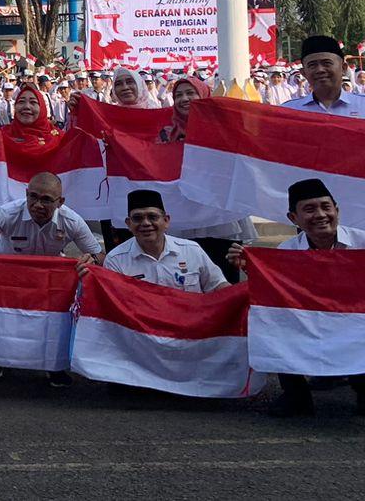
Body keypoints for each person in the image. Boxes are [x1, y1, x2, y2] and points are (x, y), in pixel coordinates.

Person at [0, 172, 101, 387]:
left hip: (47, 281)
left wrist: (90, 259)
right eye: (33, 197)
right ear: (26, 194)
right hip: (5, 276)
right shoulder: (6, 213)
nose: (38, 204)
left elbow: (98, 255)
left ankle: (53, 366)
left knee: (56, 318)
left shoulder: (72, 221)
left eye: (46, 199)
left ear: (60, 202)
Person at [228, 178, 365, 417]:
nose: (320, 215)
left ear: (337, 210)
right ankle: (295, 394)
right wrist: (251, 267)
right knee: (274, 322)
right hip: (310, 318)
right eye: (309, 209)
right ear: (294, 219)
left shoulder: (362, 243)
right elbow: (276, 291)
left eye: (326, 207)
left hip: (354, 316)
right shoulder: (287, 251)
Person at [158, 74, 254, 282]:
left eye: (190, 93)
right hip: (183, 211)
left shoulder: (221, 128)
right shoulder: (166, 133)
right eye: (179, 95)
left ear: (203, 95)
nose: (184, 98)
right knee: (187, 274)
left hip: (216, 213)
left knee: (222, 272)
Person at [94, 190, 227, 293]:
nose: (145, 223)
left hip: (190, 326)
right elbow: (116, 304)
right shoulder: (116, 260)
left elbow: (217, 287)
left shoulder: (191, 250)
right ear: (128, 224)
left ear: (166, 221)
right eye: (137, 218)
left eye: (152, 217)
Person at [283, 35, 365, 117]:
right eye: (312, 65)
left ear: (343, 68)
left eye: (327, 63)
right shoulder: (289, 112)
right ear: (304, 73)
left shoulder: (362, 105)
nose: (320, 70)